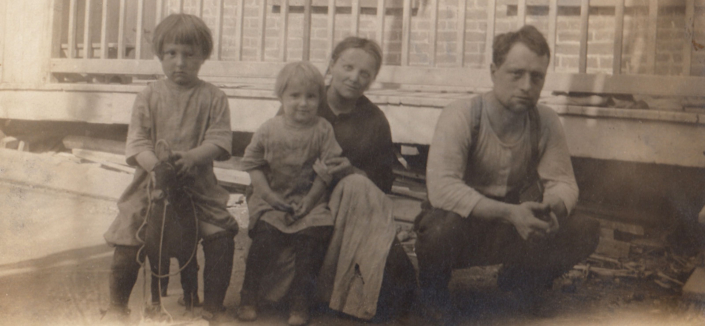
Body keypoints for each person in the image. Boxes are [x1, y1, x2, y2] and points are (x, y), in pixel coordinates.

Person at [414, 25, 600, 322]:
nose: (527, 86)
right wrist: (511, 214)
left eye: (537, 77)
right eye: (516, 73)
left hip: (517, 225)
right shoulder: (462, 114)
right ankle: (434, 293)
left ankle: (519, 281)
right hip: (465, 225)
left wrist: (551, 209)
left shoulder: (545, 121)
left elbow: (563, 182)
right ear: (493, 71)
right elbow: (442, 188)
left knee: (584, 228)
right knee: (438, 230)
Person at [247, 37, 416, 322]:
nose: (354, 77)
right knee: (273, 289)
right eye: (348, 67)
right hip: (292, 200)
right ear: (332, 65)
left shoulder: (374, 120)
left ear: (373, 79)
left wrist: (348, 172)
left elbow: (381, 184)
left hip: (347, 212)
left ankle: (350, 294)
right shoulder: (303, 99)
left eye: (365, 73)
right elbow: (266, 159)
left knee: (399, 285)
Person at [102, 14, 239, 324]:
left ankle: (213, 306)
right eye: (171, 53)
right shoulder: (148, 96)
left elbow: (219, 141)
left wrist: (192, 157)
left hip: (198, 188)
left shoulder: (214, 97)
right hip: (151, 188)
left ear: (203, 56)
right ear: (160, 55)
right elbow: (137, 143)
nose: (180, 62)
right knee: (128, 235)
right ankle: (116, 307)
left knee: (221, 235)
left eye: (189, 55)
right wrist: (156, 167)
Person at [237, 61, 343, 326]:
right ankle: (249, 297)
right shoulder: (269, 129)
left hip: (310, 201)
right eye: (295, 96)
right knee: (263, 241)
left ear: (320, 99)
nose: (303, 103)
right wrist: (269, 196)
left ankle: (300, 302)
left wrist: (309, 201)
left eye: (311, 96)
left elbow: (327, 170)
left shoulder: (323, 130)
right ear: (281, 96)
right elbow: (252, 164)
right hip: (272, 199)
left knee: (311, 245)